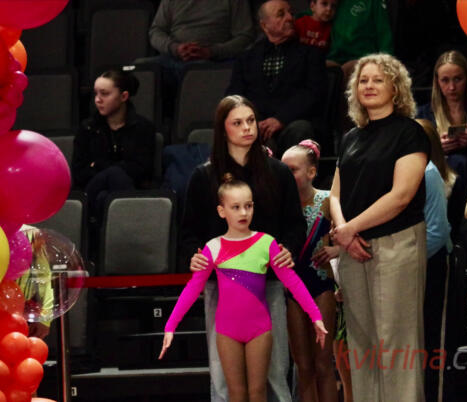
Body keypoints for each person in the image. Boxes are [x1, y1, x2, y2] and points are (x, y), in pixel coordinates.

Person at [180, 95, 307, 402]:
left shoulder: (278, 173)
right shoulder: (204, 176)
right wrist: (194, 257)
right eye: (237, 123)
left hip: (269, 284)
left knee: (274, 373)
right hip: (221, 287)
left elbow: (295, 225)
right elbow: (188, 233)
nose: (247, 128)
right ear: (223, 129)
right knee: (223, 378)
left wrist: (288, 249)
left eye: (250, 120)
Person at [160, 175, 326, 402]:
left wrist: (315, 315)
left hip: (259, 329)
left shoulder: (266, 243)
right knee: (236, 394)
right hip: (227, 331)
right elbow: (192, 288)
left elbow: (292, 281)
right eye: (236, 207)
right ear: (222, 211)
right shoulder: (213, 247)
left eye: (248, 206)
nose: (243, 213)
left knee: (258, 392)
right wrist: (170, 325)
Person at [330, 53, 429, 401]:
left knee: (397, 344)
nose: (368, 85)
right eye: (363, 80)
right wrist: (344, 232)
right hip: (353, 249)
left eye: (378, 79)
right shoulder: (351, 137)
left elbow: (401, 196)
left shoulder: (410, 133)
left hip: (396, 244)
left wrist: (349, 229)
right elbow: (335, 195)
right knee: (362, 345)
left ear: (395, 87)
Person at [226, 0, 327, 157]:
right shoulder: (246, 59)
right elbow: (234, 96)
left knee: (301, 129)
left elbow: (313, 94)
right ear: (264, 25)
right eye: (281, 14)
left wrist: (280, 119)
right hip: (256, 125)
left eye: (290, 13)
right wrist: (252, 121)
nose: (290, 18)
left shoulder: (311, 55)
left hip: (292, 122)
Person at [281, 140, 338, 402]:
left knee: (323, 364)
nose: (286, 175)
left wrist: (336, 250)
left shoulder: (327, 200)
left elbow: (349, 233)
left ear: (311, 172)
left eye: (292, 170)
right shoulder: (280, 205)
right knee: (303, 367)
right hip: (292, 289)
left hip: (321, 285)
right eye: (283, 170)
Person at [72, 68, 156, 222]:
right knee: (113, 174)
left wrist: (97, 165)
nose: (97, 100)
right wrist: (113, 169)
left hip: (127, 190)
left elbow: (143, 171)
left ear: (124, 96)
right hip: (91, 191)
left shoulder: (143, 128)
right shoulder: (87, 128)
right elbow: (79, 173)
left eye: (104, 94)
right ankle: (141, 220)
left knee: (105, 198)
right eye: (96, 94)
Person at [416, 118, 452, 402]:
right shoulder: (403, 172)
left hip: (434, 265)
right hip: (412, 266)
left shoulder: (429, 173)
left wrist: (408, 261)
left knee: (432, 341)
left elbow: (438, 232)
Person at [417, 50, 467, 188]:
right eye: (445, 80)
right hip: (442, 182)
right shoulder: (424, 115)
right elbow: (415, 156)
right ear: (437, 82)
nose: (452, 87)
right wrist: (436, 148)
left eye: (458, 79)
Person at [326, 0, 393, 78]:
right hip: (334, 58)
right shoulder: (333, 3)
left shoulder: (374, 3)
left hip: (361, 58)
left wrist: (386, 65)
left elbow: (384, 35)